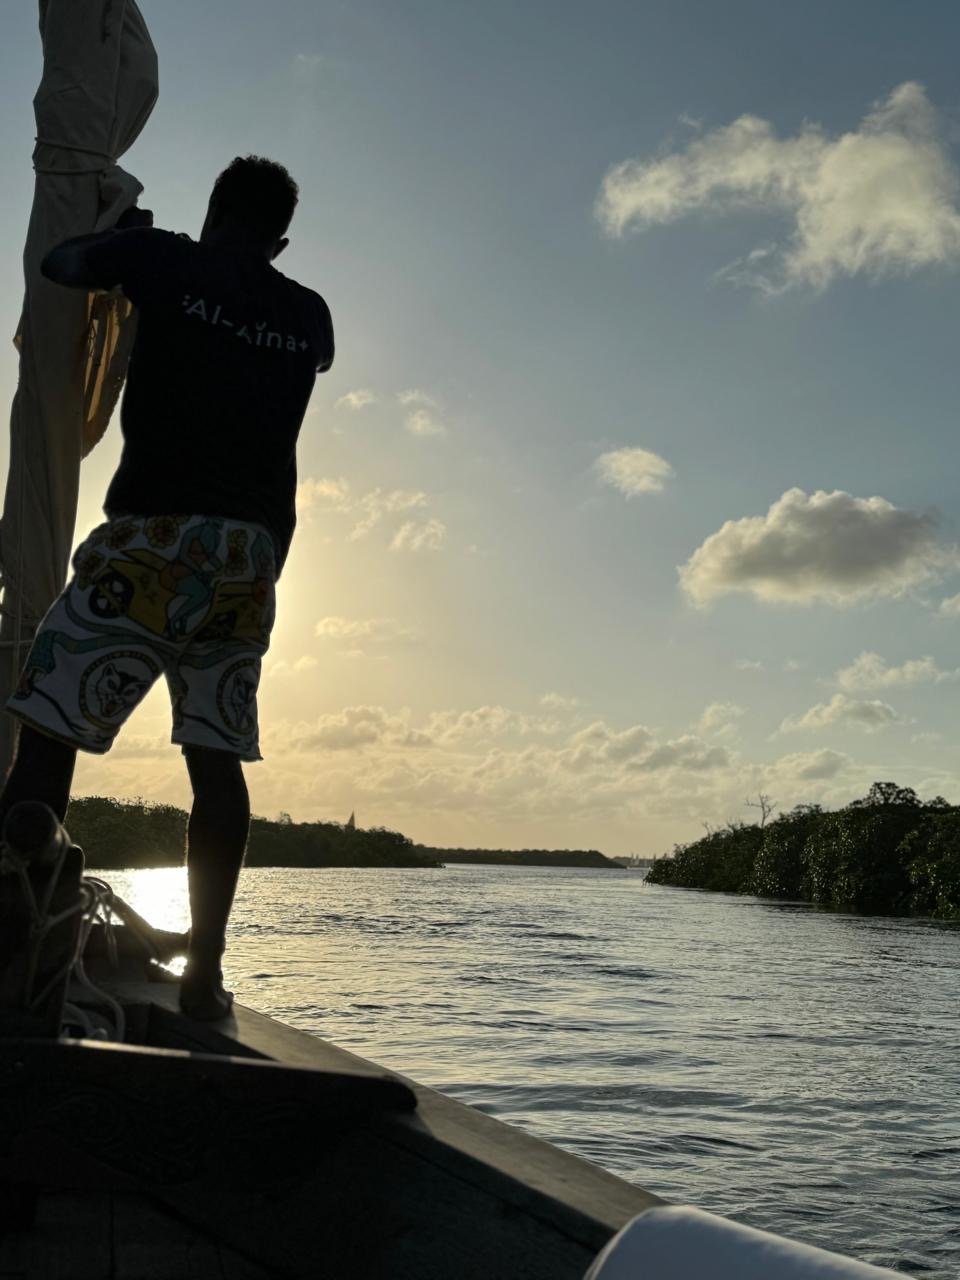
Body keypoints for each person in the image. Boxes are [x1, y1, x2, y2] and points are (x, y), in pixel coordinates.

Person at [0, 156, 334, 1019]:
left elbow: (60, 266)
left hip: (153, 539)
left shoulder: (166, 262)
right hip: (248, 561)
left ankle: (18, 918)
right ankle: (207, 977)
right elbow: (312, 355)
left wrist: (131, 243)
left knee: (47, 727)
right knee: (215, 764)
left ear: (214, 208)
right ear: (281, 239)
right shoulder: (308, 314)